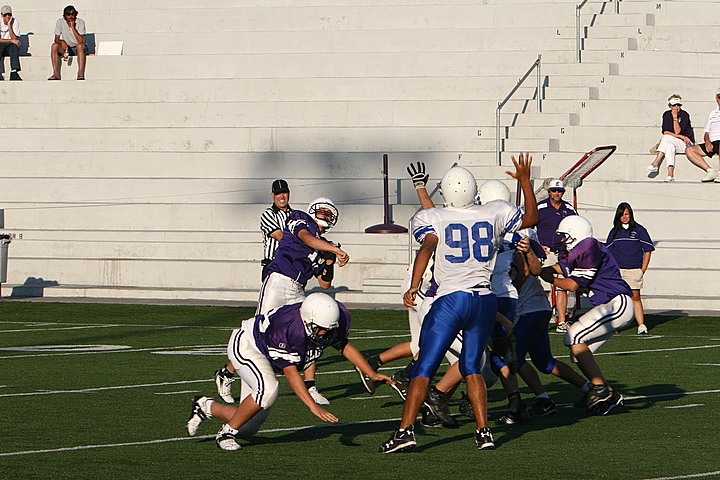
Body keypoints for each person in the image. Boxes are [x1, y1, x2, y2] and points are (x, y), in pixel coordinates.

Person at [379, 153, 538, 454]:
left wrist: (414, 285)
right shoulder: (493, 211)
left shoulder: (433, 217)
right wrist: (526, 182)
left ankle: (404, 432)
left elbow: (428, 246)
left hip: (450, 299)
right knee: (472, 367)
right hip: (484, 300)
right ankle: (484, 431)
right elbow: (531, 219)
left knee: (425, 366)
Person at [187, 293, 393, 451]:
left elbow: (344, 346)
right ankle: (225, 434)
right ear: (307, 320)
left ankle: (206, 406)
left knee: (248, 426)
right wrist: (313, 406)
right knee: (268, 390)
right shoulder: (289, 327)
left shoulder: (332, 319)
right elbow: (291, 372)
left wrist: (370, 372)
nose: (324, 333)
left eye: (327, 329)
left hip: (268, 353)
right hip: (248, 345)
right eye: (319, 328)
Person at [214, 197, 350, 406]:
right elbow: (306, 238)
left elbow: (325, 283)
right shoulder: (301, 218)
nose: (325, 215)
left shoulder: (324, 244)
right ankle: (228, 374)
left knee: (309, 333)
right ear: (313, 210)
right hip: (278, 281)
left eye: (328, 214)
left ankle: (310, 385)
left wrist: (330, 260)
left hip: (297, 288)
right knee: (260, 332)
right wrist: (334, 250)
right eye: (322, 211)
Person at [540, 216, 634, 416]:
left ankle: (599, 389)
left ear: (575, 235)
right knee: (577, 352)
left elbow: (573, 285)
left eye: (566, 236)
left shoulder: (589, 246)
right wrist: (544, 270)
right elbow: (562, 268)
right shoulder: (582, 250)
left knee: (574, 335)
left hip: (616, 303)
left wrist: (547, 277)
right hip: (610, 304)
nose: (563, 241)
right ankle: (608, 393)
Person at [605, 202, 654, 334]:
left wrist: (642, 269)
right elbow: (607, 252)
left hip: (634, 270)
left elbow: (648, 250)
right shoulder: (614, 231)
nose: (624, 217)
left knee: (635, 297)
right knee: (616, 298)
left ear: (631, 214)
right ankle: (616, 325)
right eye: (622, 215)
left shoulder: (639, 230)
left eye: (627, 214)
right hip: (617, 271)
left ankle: (641, 325)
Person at [536, 179, 577, 332]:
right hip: (546, 253)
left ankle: (561, 321)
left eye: (559, 191)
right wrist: (538, 245)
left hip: (563, 253)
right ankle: (542, 320)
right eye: (554, 190)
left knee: (562, 288)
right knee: (544, 289)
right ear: (549, 192)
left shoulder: (568, 208)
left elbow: (577, 226)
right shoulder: (541, 207)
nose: (557, 193)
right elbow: (530, 227)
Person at [645, 95, 695, 182]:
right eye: (674, 105)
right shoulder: (666, 114)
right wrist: (679, 136)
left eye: (678, 105)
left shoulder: (684, 115)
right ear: (670, 106)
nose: (676, 107)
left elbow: (677, 131)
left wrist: (675, 118)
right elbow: (665, 131)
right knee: (668, 145)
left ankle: (655, 162)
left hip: (686, 144)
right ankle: (670, 174)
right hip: (674, 141)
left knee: (667, 138)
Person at [259, 179, 293, 281]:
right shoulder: (268, 214)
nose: (282, 196)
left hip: (292, 266)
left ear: (288, 193)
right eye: (278, 193)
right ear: (273, 195)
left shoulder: (295, 214)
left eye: (284, 192)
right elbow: (281, 237)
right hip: (273, 265)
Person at [685, 87, 720, 183]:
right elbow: (707, 132)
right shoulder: (713, 113)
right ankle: (710, 171)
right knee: (689, 150)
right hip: (713, 142)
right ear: (716, 99)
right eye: (719, 97)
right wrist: (707, 142)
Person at [48, 5, 87, 81]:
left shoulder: (80, 22)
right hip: (67, 48)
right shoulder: (60, 22)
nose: (70, 16)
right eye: (68, 14)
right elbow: (56, 39)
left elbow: (80, 40)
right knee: (54, 46)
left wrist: (73, 27)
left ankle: (80, 73)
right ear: (65, 16)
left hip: (78, 48)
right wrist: (61, 42)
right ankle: (55, 74)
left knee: (79, 46)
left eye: (72, 14)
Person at [0, 5, 21, 81]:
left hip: (10, 46)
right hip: (1, 44)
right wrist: (11, 40)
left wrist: (9, 26)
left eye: (9, 14)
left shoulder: (15, 22)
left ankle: (14, 72)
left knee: (14, 46)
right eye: (5, 15)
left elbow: (15, 39)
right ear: (2, 15)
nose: (8, 17)